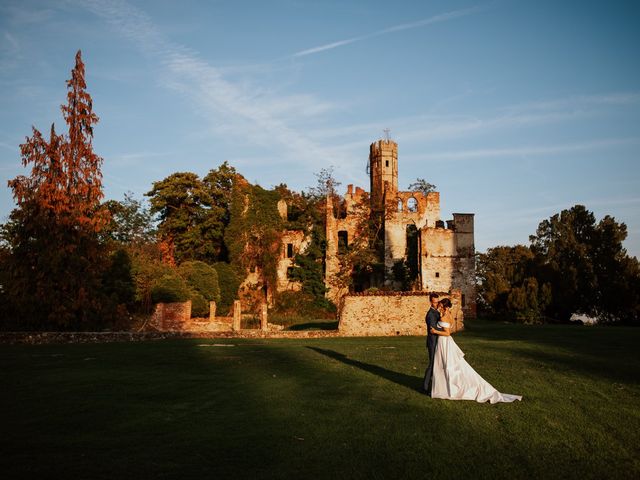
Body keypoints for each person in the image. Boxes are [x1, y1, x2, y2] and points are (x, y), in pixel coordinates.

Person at [430, 298, 522, 404]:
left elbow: (447, 333)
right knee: (447, 364)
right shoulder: (449, 315)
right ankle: (445, 386)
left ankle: (452, 388)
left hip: (444, 342)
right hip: (445, 343)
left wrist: (435, 331)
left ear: (446, 307)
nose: (439, 307)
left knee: (448, 365)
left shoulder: (445, 317)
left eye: (441, 305)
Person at [422, 292, 448, 395]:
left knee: (438, 364)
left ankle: (436, 385)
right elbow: (433, 329)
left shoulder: (437, 312)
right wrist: (445, 329)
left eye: (437, 302)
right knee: (432, 364)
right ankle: (424, 387)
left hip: (439, 342)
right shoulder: (430, 314)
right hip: (433, 342)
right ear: (430, 302)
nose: (436, 304)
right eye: (434, 302)